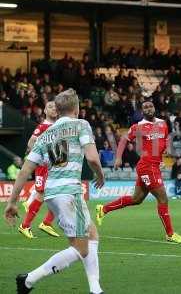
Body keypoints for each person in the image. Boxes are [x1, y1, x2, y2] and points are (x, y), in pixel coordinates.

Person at [4, 89, 105, 294]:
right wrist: (100, 174)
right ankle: (29, 280)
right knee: (81, 248)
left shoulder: (46, 134)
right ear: (76, 108)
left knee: (91, 234)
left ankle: (96, 289)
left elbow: (25, 170)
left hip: (51, 194)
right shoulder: (81, 125)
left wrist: (12, 202)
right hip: (69, 192)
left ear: (57, 110)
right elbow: (93, 158)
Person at [96, 100, 181, 244]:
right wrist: (118, 157)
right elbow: (123, 141)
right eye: (145, 107)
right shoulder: (138, 127)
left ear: (154, 107)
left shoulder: (163, 124)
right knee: (163, 199)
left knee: (136, 199)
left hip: (153, 165)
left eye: (150, 106)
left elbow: (162, 142)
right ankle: (170, 234)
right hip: (147, 167)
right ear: (142, 111)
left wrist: (161, 158)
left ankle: (103, 209)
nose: (148, 108)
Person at [19, 101, 60, 239]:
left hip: (56, 166)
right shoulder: (43, 126)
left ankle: (47, 222)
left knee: (60, 194)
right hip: (45, 167)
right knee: (41, 195)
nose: (53, 109)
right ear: (45, 111)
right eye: (50, 107)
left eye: (55, 107)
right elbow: (31, 142)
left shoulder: (58, 126)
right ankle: (25, 225)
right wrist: (40, 158)